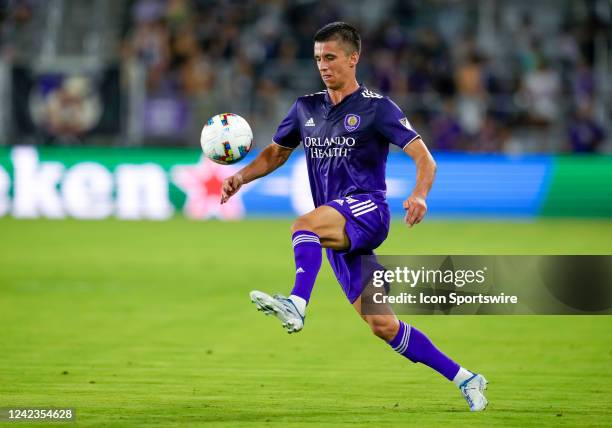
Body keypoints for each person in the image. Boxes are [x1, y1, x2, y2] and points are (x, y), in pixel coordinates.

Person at [221, 22, 488, 412]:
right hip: (338, 228)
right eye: (317, 59)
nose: (323, 66)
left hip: (368, 210)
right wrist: (240, 177)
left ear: (352, 58)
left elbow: (423, 157)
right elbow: (276, 154)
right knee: (383, 326)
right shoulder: (305, 108)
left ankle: (297, 302)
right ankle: (467, 378)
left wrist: (419, 194)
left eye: (330, 57)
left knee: (303, 225)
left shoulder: (377, 108)